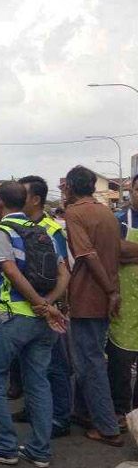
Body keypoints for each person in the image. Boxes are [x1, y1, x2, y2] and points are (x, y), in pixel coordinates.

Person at [0, 181, 70, 468]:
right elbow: (65, 273)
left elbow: (10, 271)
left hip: (14, 316)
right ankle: (39, 449)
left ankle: (4, 446)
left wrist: (37, 302)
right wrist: (48, 305)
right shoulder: (47, 230)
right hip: (44, 321)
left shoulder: (1, 231)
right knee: (38, 381)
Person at [62, 165, 124, 446]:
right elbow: (117, 250)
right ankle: (83, 411)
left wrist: (110, 290)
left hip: (89, 293)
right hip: (104, 292)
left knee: (90, 361)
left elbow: (85, 253)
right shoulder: (106, 212)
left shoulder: (75, 213)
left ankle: (107, 426)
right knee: (92, 355)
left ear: (71, 188)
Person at [11, 175, 73, 438]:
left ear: (35, 199)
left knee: (55, 364)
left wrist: (52, 304)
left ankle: (60, 417)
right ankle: (35, 407)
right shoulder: (21, 226)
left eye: (21, 194)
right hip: (29, 307)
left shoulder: (51, 229)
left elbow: (64, 272)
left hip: (49, 308)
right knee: (32, 363)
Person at [108, 174, 138, 427]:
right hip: (125, 300)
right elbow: (114, 251)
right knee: (120, 359)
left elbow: (126, 252)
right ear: (131, 192)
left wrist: (130, 254)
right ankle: (119, 410)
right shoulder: (120, 221)